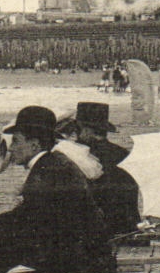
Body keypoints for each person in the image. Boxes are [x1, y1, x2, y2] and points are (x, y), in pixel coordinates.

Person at [0, 105, 116, 273]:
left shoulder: (48, 171)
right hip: (81, 250)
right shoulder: (52, 164)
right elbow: (30, 216)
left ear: (35, 145)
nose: (11, 149)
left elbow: (27, 220)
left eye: (17, 142)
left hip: (76, 259)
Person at [60, 101, 142, 238]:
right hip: (128, 229)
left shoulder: (81, 155)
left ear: (86, 130)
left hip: (98, 233)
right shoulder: (123, 154)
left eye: (77, 129)